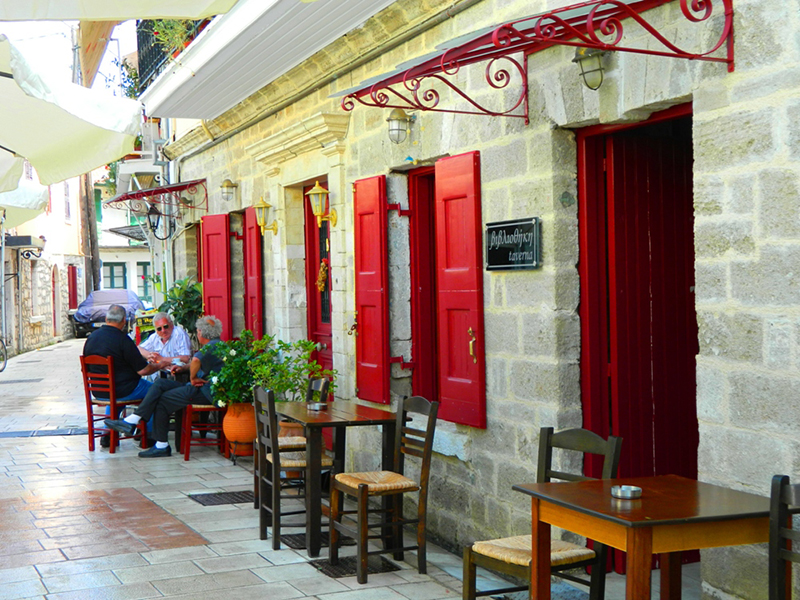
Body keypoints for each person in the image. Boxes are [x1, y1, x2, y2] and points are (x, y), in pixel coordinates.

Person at [104, 315, 225, 458]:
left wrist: (192, 378)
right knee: (160, 384)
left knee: (162, 400)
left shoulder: (210, 347)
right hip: (200, 388)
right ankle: (133, 420)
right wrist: (183, 369)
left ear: (200, 332)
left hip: (204, 392)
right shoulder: (218, 344)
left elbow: (196, 360)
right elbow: (195, 364)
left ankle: (160, 444)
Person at [83, 304, 161, 402]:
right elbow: (143, 371)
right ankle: (145, 418)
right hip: (124, 391)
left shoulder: (91, 338)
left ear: (106, 319)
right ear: (124, 320)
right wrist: (160, 365)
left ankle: (111, 417)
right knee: (157, 390)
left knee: (121, 386)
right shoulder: (123, 340)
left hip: (98, 392)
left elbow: (85, 369)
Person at [138, 312, 192, 380]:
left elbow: (186, 358)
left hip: (177, 374)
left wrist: (162, 359)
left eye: (165, 326)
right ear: (156, 330)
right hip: (159, 373)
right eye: (159, 329)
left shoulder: (179, 333)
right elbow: (139, 348)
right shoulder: (154, 337)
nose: (163, 330)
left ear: (172, 325)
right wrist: (151, 356)